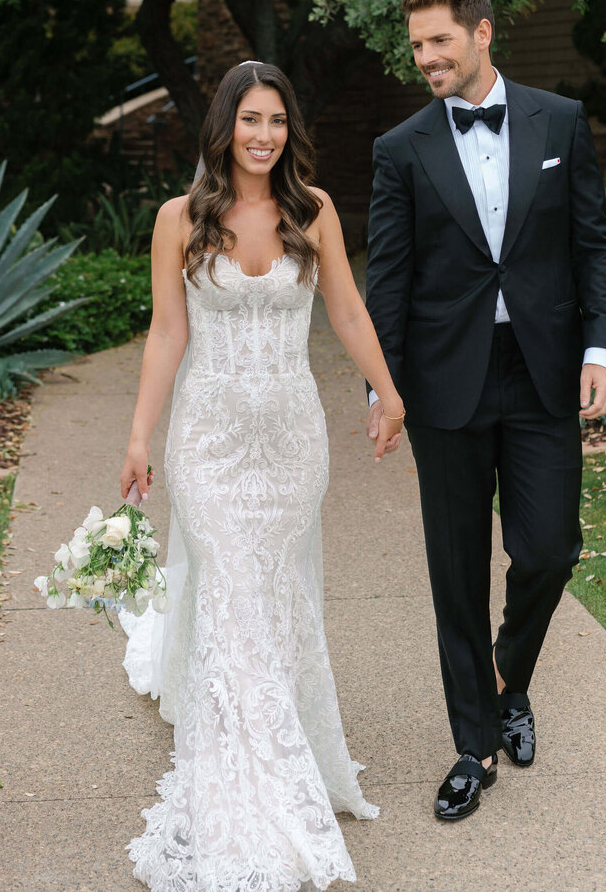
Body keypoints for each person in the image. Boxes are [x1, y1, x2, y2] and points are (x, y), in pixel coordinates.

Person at [118, 61, 404, 890]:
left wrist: (390, 392)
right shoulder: (180, 218)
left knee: (266, 596)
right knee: (234, 592)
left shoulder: (312, 213)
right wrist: (140, 434)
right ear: (224, 126)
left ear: (290, 130)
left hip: (289, 448)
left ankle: (281, 749)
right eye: (250, 119)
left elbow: (347, 309)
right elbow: (166, 335)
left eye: (277, 120)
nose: (264, 134)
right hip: (206, 445)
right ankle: (246, 787)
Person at [365, 0, 606, 820]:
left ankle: (508, 674)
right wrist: (384, 387)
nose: (427, 58)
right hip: (446, 384)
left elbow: (595, 244)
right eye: (416, 47)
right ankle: (473, 744)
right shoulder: (400, 148)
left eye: (439, 40)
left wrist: (599, 348)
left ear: (482, 32)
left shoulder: (561, 120)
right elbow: (389, 280)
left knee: (549, 547)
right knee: (455, 567)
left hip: (544, 370)